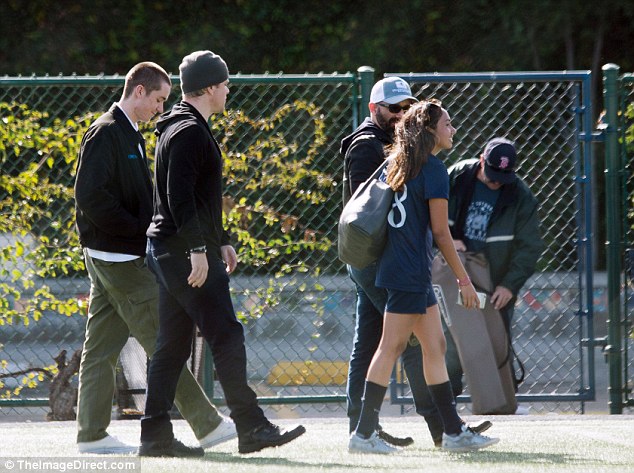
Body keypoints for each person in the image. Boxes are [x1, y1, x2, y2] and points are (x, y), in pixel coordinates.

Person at [139, 50, 305, 457]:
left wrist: (222, 238)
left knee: (173, 344)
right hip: (182, 252)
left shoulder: (183, 124)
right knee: (226, 334)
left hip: (168, 249)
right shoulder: (189, 131)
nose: (229, 90)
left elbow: (200, 195)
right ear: (211, 87)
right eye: (226, 84)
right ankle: (251, 427)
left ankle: (155, 435)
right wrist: (199, 248)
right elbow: (179, 196)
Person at [74, 61, 236, 454]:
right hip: (119, 260)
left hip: (114, 258)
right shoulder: (107, 132)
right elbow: (90, 199)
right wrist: (139, 233)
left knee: (100, 349)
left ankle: (91, 435)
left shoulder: (132, 134)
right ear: (140, 91)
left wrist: (216, 237)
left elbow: (153, 200)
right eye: (159, 99)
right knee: (165, 341)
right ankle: (208, 424)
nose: (161, 109)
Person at [340, 77, 491, 447]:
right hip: (403, 270)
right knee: (391, 348)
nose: (453, 129)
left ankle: (450, 430)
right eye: (448, 124)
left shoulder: (401, 159)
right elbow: (440, 233)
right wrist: (464, 280)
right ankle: (366, 432)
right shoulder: (429, 167)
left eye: (406, 108)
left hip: (406, 268)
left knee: (432, 345)